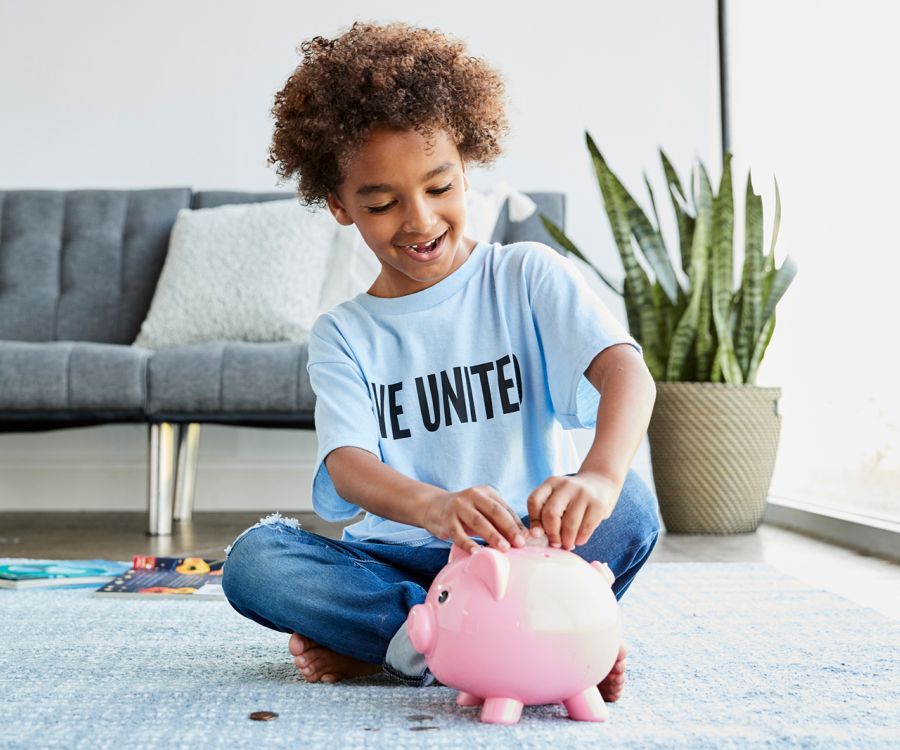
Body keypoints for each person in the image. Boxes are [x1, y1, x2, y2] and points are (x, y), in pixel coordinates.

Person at [221, 20, 661, 703]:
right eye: (382, 202)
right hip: (395, 557)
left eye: (439, 186)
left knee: (633, 502)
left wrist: (600, 479)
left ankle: (407, 646)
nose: (420, 220)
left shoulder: (527, 276)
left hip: (528, 550)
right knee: (257, 562)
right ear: (340, 206)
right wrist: (433, 508)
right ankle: (526, 645)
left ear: (467, 167)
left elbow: (624, 370)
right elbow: (349, 464)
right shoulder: (344, 333)